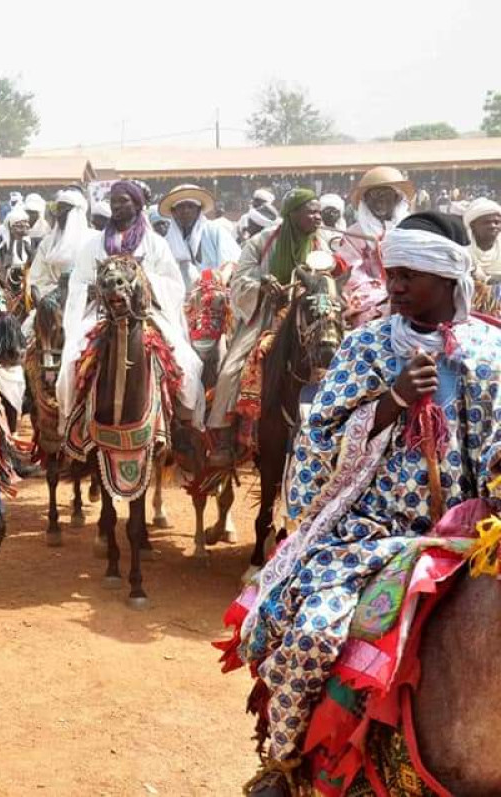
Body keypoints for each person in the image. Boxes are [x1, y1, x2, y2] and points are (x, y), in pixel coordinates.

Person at [226, 211, 501, 795]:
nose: (394, 286)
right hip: (369, 532)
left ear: (446, 278)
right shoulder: (366, 346)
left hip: (467, 534)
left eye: (409, 275)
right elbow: (317, 442)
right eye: (391, 274)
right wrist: (393, 400)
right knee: (310, 628)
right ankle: (284, 763)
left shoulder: (491, 352)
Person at [58, 180, 204, 432]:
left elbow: (173, 284)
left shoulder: (155, 243)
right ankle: (72, 424)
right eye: (113, 201)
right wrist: (92, 290)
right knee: (72, 359)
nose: (116, 205)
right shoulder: (94, 245)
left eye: (123, 200)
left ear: (137, 205)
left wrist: (145, 282)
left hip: (146, 313)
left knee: (186, 361)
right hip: (101, 314)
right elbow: (78, 282)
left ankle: (181, 424)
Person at [206, 189, 330, 463]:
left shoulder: (322, 244)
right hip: (266, 315)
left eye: (319, 211)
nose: (318, 217)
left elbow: (329, 279)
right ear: (292, 214)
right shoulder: (260, 242)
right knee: (229, 371)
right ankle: (224, 436)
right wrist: (262, 285)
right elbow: (239, 282)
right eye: (311, 211)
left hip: (310, 315)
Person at [339, 166, 413, 328]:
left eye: (385, 194)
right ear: (366, 201)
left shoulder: (412, 228)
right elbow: (352, 273)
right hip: (372, 295)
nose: (379, 200)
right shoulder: (354, 233)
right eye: (374, 195)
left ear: (396, 198)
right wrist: (385, 293)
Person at [160, 184, 241, 289]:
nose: (186, 211)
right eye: (181, 207)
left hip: (215, 295)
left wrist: (219, 279)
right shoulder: (166, 242)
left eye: (190, 206)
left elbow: (232, 262)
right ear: (174, 212)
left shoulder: (214, 231)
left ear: (199, 210)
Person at [27, 187, 97, 299]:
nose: (57, 215)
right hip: (53, 302)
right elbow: (36, 281)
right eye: (56, 210)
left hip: (90, 302)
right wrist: (60, 292)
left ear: (76, 212)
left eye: (62, 210)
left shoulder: (94, 240)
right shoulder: (47, 243)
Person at [464, 197, 501, 278]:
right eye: (487, 222)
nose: (493, 226)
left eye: (497, 222)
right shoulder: (462, 250)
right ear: (472, 225)